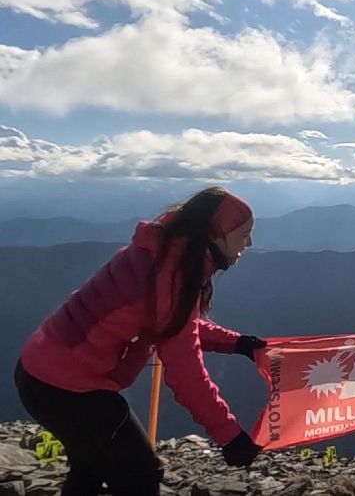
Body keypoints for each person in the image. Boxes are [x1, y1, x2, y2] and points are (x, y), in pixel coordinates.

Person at [14, 186, 268, 496]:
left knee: (91, 463)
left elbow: (172, 324)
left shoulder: (162, 256)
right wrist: (230, 436)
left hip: (39, 374)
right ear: (216, 235)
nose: (249, 242)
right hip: (67, 389)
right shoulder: (170, 277)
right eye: (243, 234)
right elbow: (186, 373)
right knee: (142, 474)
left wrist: (236, 343)